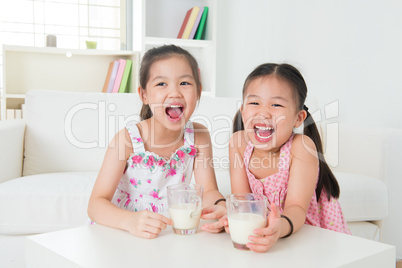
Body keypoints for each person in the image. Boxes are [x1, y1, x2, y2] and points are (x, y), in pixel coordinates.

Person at [88, 45, 225, 239]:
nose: (175, 92)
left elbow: (209, 190)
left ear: (199, 92)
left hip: (167, 231)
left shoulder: (199, 135)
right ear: (144, 95)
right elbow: (95, 204)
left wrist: (223, 207)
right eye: (161, 84)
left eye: (184, 83)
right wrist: (130, 221)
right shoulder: (127, 140)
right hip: (122, 230)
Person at [226, 63, 351, 252]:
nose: (264, 112)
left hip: (304, 233)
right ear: (243, 111)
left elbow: (297, 209)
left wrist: (279, 228)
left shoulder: (301, 147)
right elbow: (243, 202)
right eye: (254, 103)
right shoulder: (238, 143)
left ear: (298, 118)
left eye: (276, 104)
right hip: (266, 233)